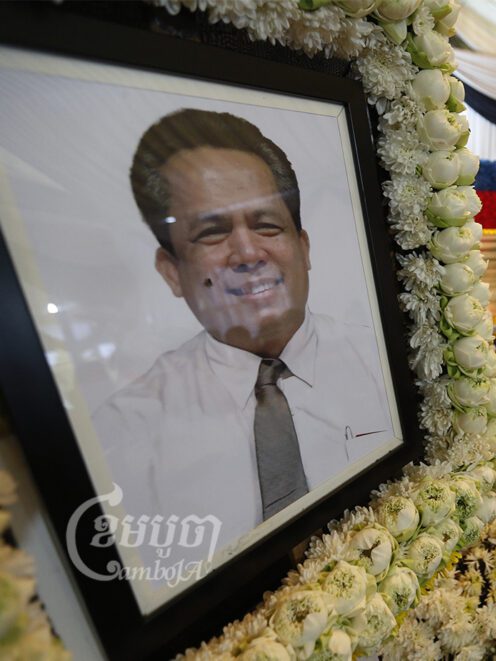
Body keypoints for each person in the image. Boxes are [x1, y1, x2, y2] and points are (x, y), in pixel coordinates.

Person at [95, 109, 393, 559]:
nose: (248, 253)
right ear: (172, 271)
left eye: (267, 225)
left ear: (303, 247)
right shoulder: (123, 437)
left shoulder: (383, 360)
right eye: (212, 233)